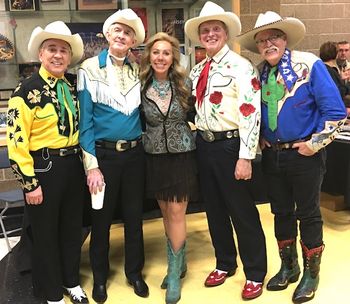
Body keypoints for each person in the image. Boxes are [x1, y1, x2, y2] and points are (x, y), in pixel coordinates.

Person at [237, 11, 347, 303]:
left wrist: (315, 143)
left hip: (304, 155)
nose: (268, 43)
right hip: (272, 157)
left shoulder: (310, 65)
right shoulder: (260, 72)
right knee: (280, 212)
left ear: (284, 38)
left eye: (274, 37)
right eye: (262, 40)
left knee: (308, 213)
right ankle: (289, 266)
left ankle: (312, 273)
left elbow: (335, 113)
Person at [184, 1, 267, 300]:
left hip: (232, 146)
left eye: (215, 29)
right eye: (205, 30)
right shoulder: (196, 71)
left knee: (242, 211)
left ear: (226, 33)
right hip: (203, 146)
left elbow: (250, 113)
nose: (209, 34)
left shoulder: (241, 67)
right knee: (214, 210)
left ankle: (255, 271)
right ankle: (225, 262)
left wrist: (246, 156)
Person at [6, 21, 88, 304]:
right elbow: (17, 145)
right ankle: (52, 293)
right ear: (41, 55)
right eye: (51, 49)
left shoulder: (73, 86)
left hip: (72, 166)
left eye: (63, 50)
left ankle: (71, 282)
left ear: (69, 56)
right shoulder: (24, 92)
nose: (58, 55)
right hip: (44, 168)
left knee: (71, 228)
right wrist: (29, 184)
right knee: (45, 234)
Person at [77, 9, 148, 303]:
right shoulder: (89, 69)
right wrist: (92, 167)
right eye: (117, 30)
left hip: (134, 157)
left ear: (133, 40)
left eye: (128, 32)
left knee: (134, 218)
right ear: (107, 35)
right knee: (101, 220)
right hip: (103, 158)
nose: (122, 36)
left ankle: (134, 272)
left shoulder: (137, 70)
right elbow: (85, 125)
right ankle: (101, 278)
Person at [139, 32, 198, 304]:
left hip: (181, 155)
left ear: (173, 56)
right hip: (154, 156)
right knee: (164, 210)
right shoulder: (141, 86)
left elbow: (198, 114)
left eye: (166, 53)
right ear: (149, 56)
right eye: (156, 52)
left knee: (176, 211)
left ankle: (173, 273)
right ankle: (180, 261)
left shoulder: (185, 84)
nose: (160, 57)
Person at [320, 41, 350, 110]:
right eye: (340, 51)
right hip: (332, 108)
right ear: (336, 54)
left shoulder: (321, 67)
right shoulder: (330, 70)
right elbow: (338, 92)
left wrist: (340, 78)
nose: (343, 53)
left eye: (346, 50)